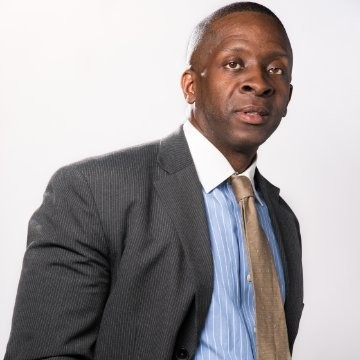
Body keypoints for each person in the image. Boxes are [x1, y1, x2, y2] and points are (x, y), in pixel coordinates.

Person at [4, 2, 303, 359]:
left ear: (288, 97)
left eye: (276, 69)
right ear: (191, 85)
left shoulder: (282, 218)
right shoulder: (92, 192)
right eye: (234, 63)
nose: (259, 82)